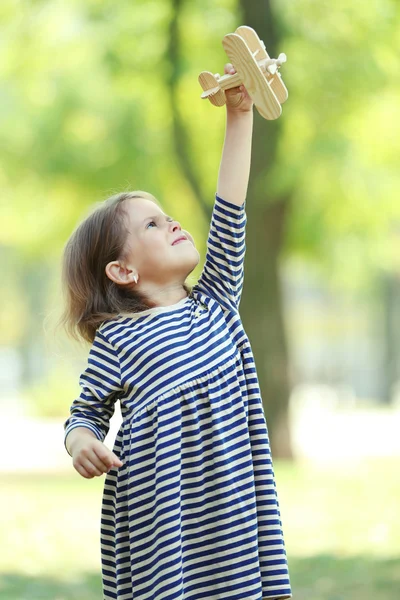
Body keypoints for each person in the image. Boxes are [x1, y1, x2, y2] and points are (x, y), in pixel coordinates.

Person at [62, 62, 292, 600]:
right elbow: (86, 410)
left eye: (166, 216)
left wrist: (240, 116)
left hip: (233, 505)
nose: (171, 223)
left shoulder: (215, 302)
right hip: (161, 517)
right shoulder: (119, 340)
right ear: (122, 271)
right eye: (151, 224)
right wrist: (81, 441)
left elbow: (231, 203)